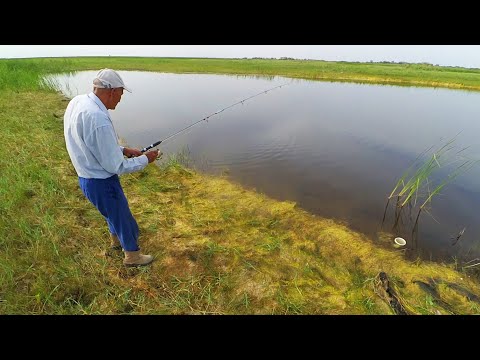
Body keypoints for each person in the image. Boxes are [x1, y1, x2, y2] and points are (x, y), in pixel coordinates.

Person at [63, 68, 160, 267]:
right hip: (101, 181)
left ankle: (115, 242)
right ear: (111, 91)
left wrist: (123, 149)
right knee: (124, 218)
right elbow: (116, 166)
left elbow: (92, 142)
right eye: (121, 94)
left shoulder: (78, 102)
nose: (120, 99)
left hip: (86, 177)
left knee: (112, 213)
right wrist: (145, 160)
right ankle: (132, 256)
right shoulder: (98, 118)